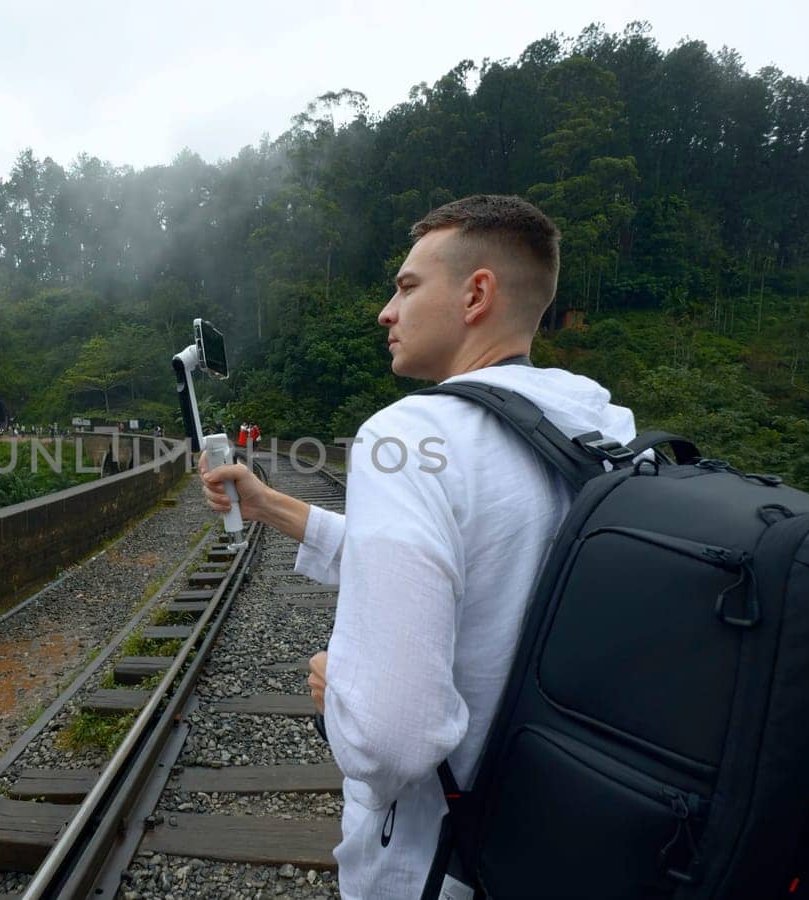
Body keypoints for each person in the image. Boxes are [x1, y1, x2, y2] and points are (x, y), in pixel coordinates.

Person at [200, 195, 636, 898]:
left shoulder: (408, 436)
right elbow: (475, 567)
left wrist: (337, 681)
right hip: (559, 835)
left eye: (406, 286)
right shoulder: (596, 426)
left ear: (476, 293)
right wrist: (270, 505)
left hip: (440, 861)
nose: (386, 310)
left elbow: (393, 742)